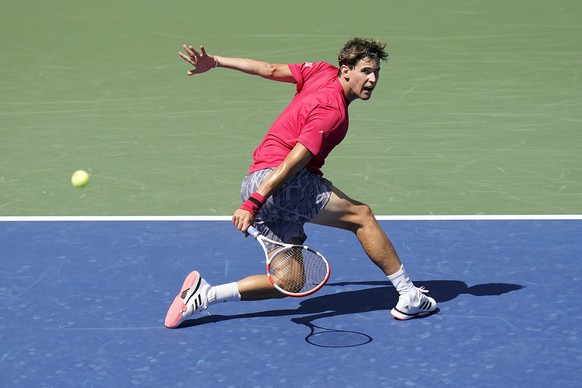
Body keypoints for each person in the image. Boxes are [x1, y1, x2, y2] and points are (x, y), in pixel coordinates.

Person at [165, 38, 437, 328]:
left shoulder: (320, 71)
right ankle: (409, 295)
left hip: (255, 178)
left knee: (290, 282)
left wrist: (216, 61)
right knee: (362, 216)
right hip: (278, 183)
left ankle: (205, 294)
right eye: (366, 71)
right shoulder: (333, 112)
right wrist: (254, 202)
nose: (372, 79)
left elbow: (268, 69)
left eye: (376, 72)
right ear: (346, 70)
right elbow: (294, 160)